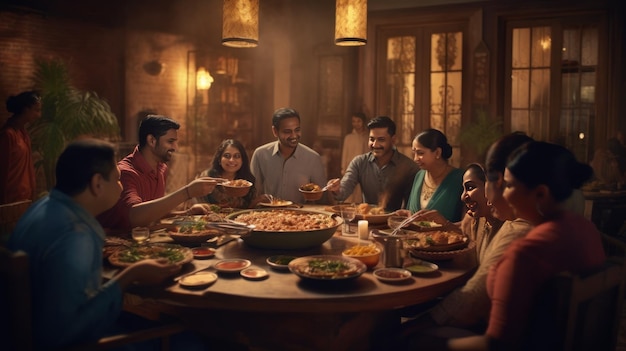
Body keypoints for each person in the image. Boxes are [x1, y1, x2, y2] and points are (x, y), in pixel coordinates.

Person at [407, 141, 606, 351]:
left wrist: (420, 341)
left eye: (508, 185)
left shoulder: (525, 250)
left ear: (541, 194)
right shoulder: (586, 229)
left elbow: (497, 343)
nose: (500, 193)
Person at [7, 139, 185, 349]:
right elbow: (67, 331)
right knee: (190, 338)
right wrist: (130, 276)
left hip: (19, 334)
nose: (121, 187)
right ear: (97, 183)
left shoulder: (42, 207)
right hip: (66, 341)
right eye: (118, 180)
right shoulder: (76, 235)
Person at [97, 115, 218, 234]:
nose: (176, 148)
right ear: (152, 141)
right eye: (170, 141)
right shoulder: (126, 173)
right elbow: (134, 217)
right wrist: (188, 192)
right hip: (118, 246)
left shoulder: (161, 168)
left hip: (148, 244)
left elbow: (152, 214)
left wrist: (187, 213)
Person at [326, 116, 418, 212]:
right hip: (366, 220)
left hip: (395, 222)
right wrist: (336, 189)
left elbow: (411, 206)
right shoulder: (359, 162)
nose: (375, 145)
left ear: (393, 140)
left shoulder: (409, 167)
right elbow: (343, 193)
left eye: (381, 140)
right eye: (372, 139)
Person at [250, 107, 327, 203]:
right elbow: (252, 194)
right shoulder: (260, 155)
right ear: (275, 131)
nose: (294, 135)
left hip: (303, 216)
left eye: (297, 130)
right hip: (267, 215)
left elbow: (323, 197)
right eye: (287, 131)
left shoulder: (313, 158)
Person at [406, 129, 464, 222]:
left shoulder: (460, 179)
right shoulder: (419, 176)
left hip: (446, 236)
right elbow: (409, 212)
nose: (415, 158)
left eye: (420, 153)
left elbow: (469, 225)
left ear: (437, 152)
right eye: (414, 153)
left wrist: (445, 224)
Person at [0, 91, 41, 204]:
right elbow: (3, 173)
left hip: (25, 199)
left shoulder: (24, 134)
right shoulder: (8, 135)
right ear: (25, 109)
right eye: (36, 110)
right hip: (10, 202)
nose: (39, 115)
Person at [197, 139, 259, 208]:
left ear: (242, 161)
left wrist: (258, 201)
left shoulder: (247, 182)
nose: (231, 160)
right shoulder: (208, 177)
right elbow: (198, 204)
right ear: (219, 159)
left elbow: (250, 210)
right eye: (227, 156)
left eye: (237, 156)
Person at [341, 112, 369, 203]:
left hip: (363, 169)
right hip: (350, 168)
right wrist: (343, 169)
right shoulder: (348, 138)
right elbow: (345, 154)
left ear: (363, 122)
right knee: (349, 194)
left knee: (360, 196)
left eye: (359, 121)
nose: (356, 124)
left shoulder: (367, 137)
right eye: (354, 121)